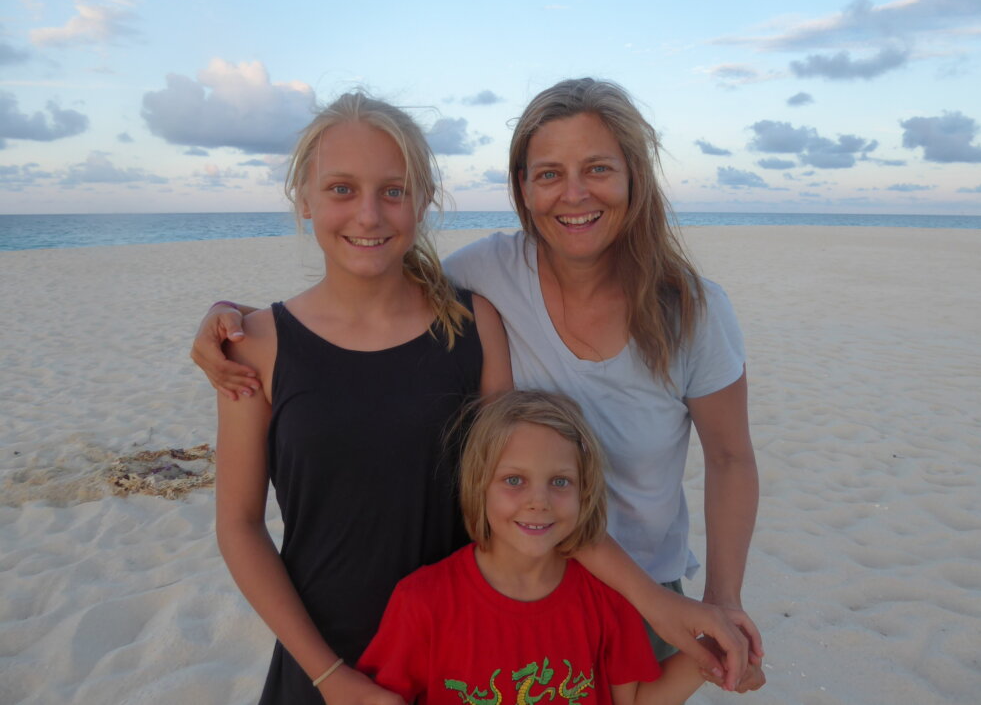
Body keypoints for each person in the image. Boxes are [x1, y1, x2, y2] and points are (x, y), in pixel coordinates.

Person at [195, 79, 763, 691]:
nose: (574, 193)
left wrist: (717, 599)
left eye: (598, 168)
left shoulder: (673, 311)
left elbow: (729, 458)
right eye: (550, 173)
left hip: (586, 603)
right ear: (523, 186)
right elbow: (371, 291)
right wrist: (240, 320)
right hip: (398, 628)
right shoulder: (483, 280)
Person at [214, 91, 512, 705]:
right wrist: (330, 676)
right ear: (304, 199)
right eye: (342, 189)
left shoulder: (474, 326)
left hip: (457, 656)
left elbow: (505, 501)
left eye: (393, 191)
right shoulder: (256, 345)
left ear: (423, 201)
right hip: (320, 662)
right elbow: (239, 525)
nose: (369, 215)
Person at [357, 390, 764, 705]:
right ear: (478, 485)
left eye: (560, 482)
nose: (539, 501)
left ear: (585, 492)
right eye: (514, 480)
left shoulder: (609, 597)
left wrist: (713, 656)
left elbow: (635, 701)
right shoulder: (422, 601)